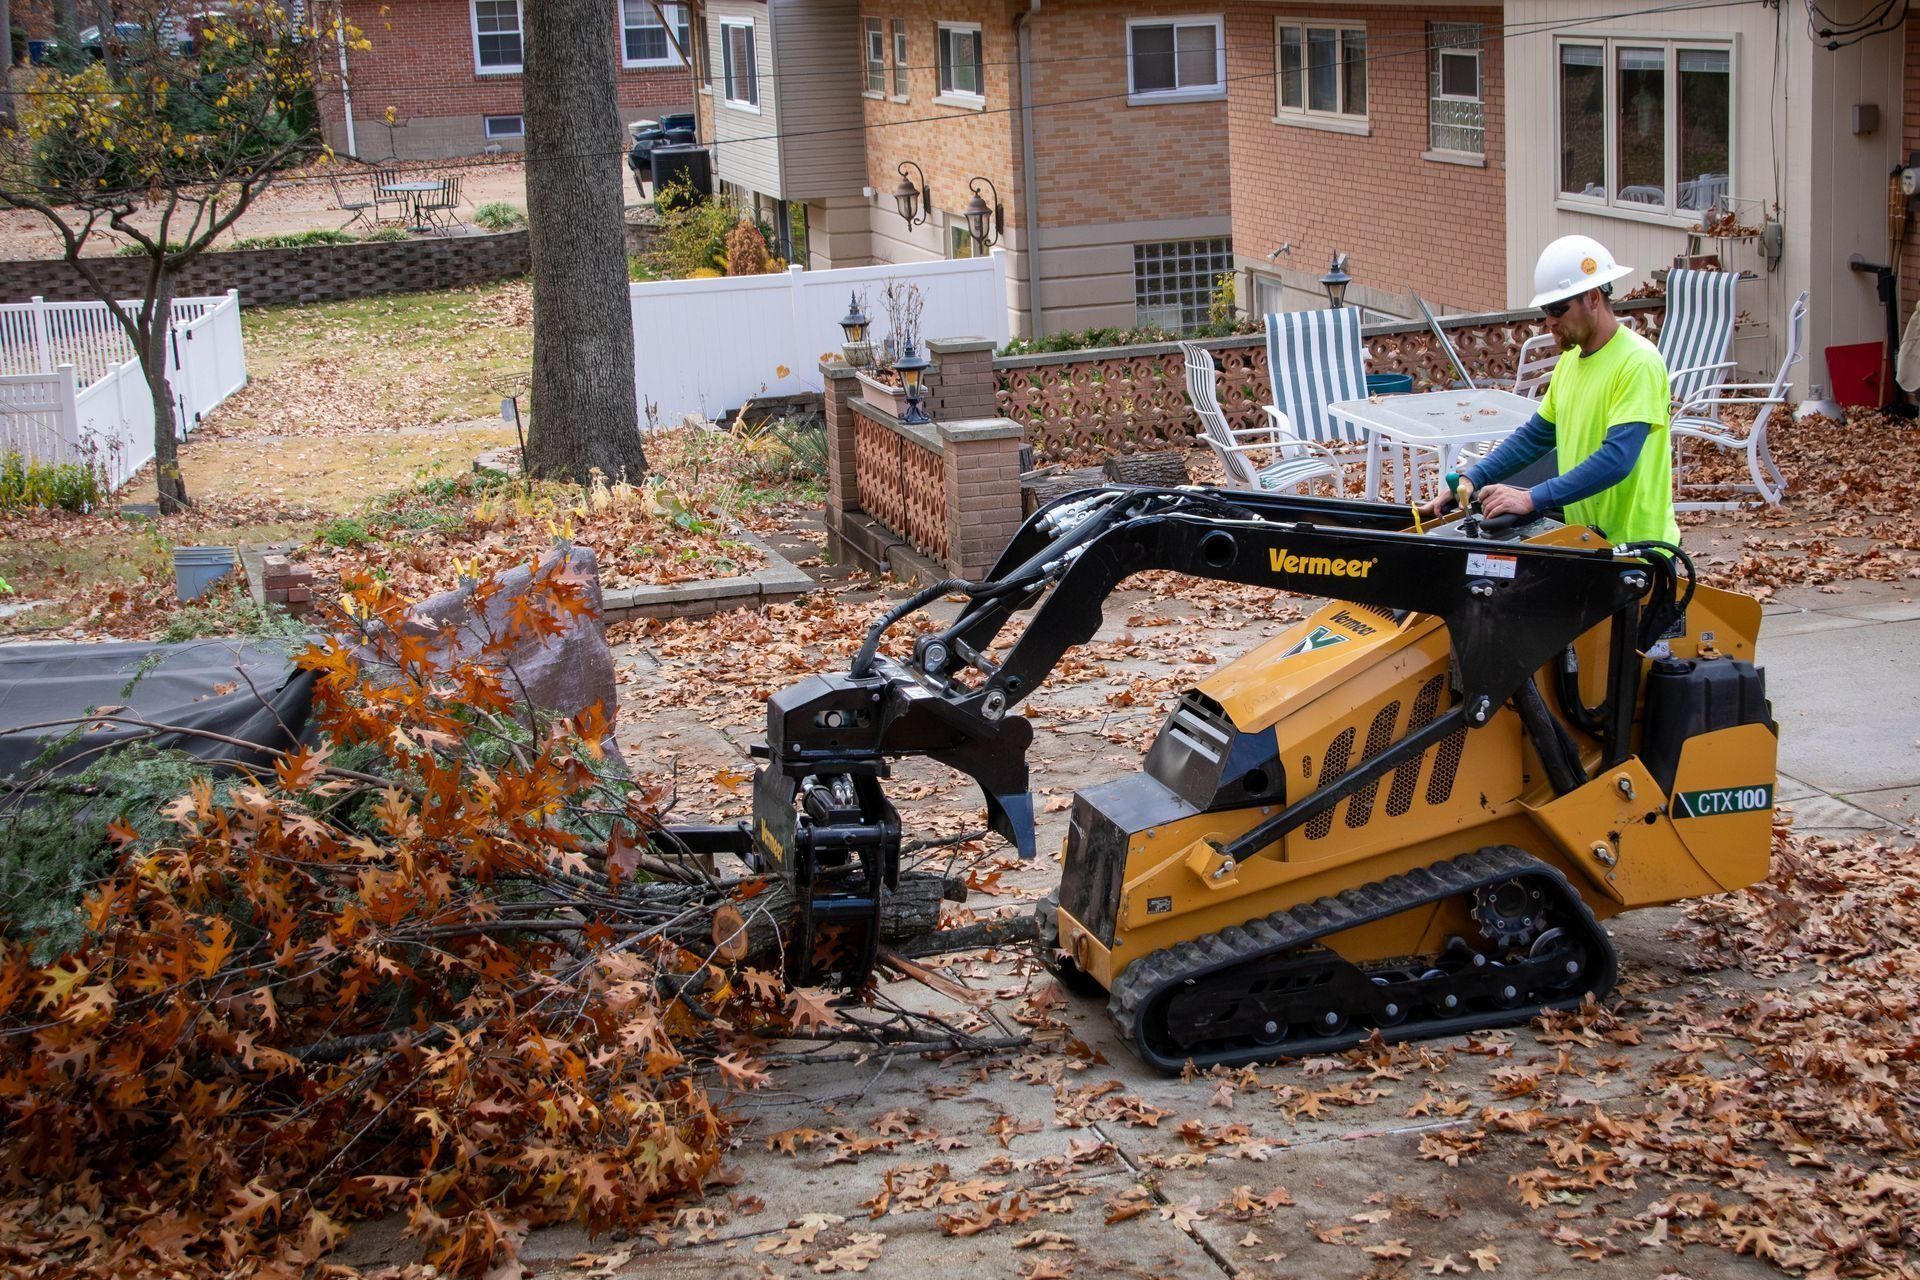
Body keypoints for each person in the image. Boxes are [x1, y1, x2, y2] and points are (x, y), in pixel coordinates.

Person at [1423, 235, 1681, 547]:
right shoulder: (1571, 360)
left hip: (1637, 547)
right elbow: (1535, 436)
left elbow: (1617, 459)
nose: (1550, 321)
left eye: (1559, 309)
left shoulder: (1637, 362)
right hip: (1587, 540)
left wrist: (1531, 498)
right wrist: (1473, 478)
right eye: (1547, 310)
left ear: (1594, 298)